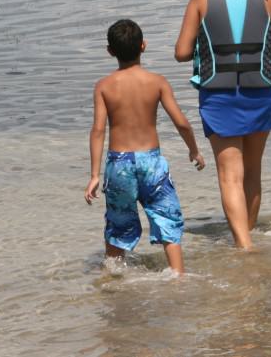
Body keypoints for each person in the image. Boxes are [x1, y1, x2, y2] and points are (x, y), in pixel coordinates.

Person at [175, 0, 271, 250]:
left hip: (219, 95)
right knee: (253, 171)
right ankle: (248, 234)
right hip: (261, 92)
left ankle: (243, 246)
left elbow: (181, 51)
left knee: (230, 175)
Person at [84, 19, 206, 276]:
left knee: (118, 222)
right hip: (152, 163)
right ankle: (177, 275)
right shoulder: (157, 82)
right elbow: (181, 122)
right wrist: (193, 150)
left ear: (110, 51)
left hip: (119, 165)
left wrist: (95, 175)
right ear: (144, 46)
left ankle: (113, 278)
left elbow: (98, 130)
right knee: (167, 217)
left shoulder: (104, 87)